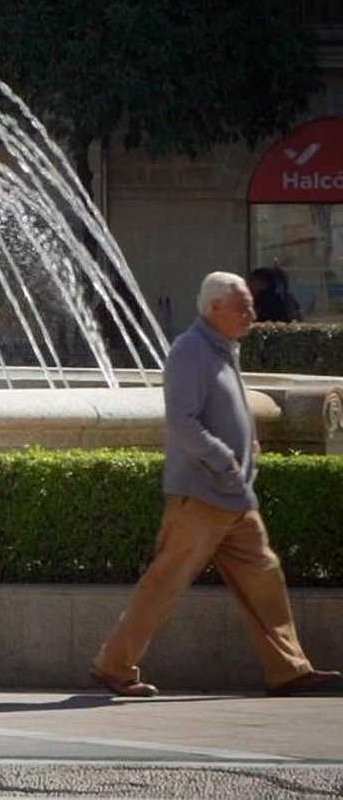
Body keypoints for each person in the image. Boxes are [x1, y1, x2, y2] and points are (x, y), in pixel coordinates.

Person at [90, 272, 340, 698]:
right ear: (214, 308)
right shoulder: (191, 350)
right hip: (201, 496)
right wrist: (224, 458)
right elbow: (183, 420)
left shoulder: (222, 350)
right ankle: (113, 666)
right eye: (242, 306)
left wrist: (246, 445)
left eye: (250, 305)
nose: (252, 313)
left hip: (232, 496)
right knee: (165, 584)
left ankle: (289, 668)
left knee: (265, 577)